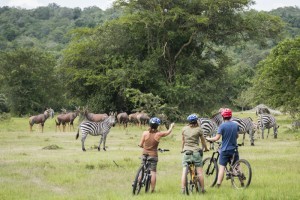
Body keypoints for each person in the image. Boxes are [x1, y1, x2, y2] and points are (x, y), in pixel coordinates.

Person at [138, 117, 175, 193]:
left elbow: (140, 144)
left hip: (144, 154)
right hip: (153, 155)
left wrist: (144, 147)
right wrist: (171, 126)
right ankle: (152, 190)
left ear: (149, 125)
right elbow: (168, 132)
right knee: (153, 172)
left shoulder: (145, 133)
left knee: (142, 169)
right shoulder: (159, 134)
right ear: (157, 126)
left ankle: (138, 183)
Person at [206, 108, 240, 188]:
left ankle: (218, 185)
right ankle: (242, 181)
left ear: (223, 117)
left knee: (222, 167)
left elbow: (216, 138)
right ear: (230, 116)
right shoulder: (236, 125)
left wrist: (208, 139)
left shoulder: (222, 126)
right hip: (234, 149)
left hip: (225, 150)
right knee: (237, 165)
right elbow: (237, 136)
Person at [181, 114, 209, 194]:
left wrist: (182, 149)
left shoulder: (184, 129)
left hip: (186, 152)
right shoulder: (199, 129)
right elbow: (203, 141)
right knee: (199, 172)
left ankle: (183, 189)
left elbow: (183, 141)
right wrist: (206, 148)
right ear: (196, 121)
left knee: (184, 172)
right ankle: (203, 190)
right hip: (196, 152)